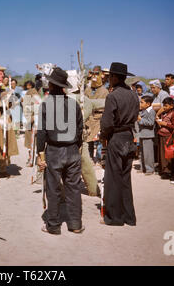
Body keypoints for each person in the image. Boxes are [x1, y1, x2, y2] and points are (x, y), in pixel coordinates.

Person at [36, 67, 84, 235]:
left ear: (51, 85)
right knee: (73, 188)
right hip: (72, 150)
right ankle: (75, 224)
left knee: (53, 189)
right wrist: (76, 146)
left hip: (55, 152)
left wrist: (40, 155)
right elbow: (80, 129)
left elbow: (41, 133)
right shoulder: (73, 104)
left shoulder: (46, 105)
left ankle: (54, 225)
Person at [100, 62, 139, 226]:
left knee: (113, 178)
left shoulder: (113, 96)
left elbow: (107, 123)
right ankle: (129, 217)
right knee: (125, 178)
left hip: (116, 137)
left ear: (115, 77)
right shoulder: (134, 95)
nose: (109, 79)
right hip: (129, 137)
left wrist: (104, 136)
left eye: (110, 77)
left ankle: (114, 217)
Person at [84, 65, 109, 163]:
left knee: (99, 139)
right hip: (89, 117)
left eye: (96, 74)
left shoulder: (104, 91)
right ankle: (89, 157)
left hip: (99, 117)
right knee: (88, 138)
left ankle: (99, 158)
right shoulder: (88, 89)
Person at [156, 97, 174, 179]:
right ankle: (162, 169)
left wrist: (165, 124)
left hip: (168, 136)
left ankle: (168, 171)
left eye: (166, 106)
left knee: (167, 154)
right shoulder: (163, 113)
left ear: (171, 106)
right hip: (161, 134)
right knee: (161, 154)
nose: (164, 107)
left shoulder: (173, 114)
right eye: (163, 105)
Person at [137, 95, 156, 175]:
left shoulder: (151, 111)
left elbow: (151, 123)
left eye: (142, 102)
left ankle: (150, 169)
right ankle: (143, 167)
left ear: (148, 104)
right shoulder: (142, 111)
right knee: (142, 153)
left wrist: (141, 120)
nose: (140, 104)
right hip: (142, 134)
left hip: (148, 135)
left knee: (148, 153)